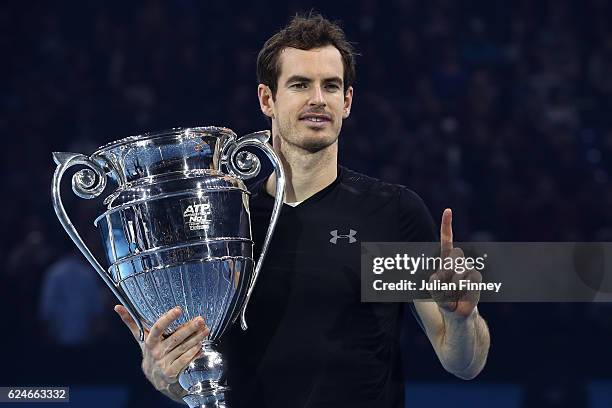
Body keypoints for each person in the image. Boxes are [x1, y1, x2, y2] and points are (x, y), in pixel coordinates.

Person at [114, 13, 490, 408]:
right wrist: (162, 375)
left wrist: (463, 319)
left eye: (331, 86)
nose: (317, 99)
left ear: (346, 102)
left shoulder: (392, 212)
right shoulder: (227, 225)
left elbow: (463, 363)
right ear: (267, 99)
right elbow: (194, 376)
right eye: (300, 85)